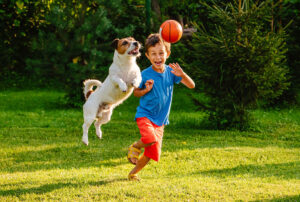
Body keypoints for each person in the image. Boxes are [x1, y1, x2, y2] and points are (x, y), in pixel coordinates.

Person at [127, 33, 195, 181]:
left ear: (168, 54)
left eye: (161, 53)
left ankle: (133, 173)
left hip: (160, 120)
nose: (158, 58)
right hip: (145, 114)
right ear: (147, 55)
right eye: (153, 54)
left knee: (152, 154)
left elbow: (191, 85)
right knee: (149, 138)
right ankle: (136, 146)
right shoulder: (144, 74)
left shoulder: (172, 72)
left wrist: (182, 74)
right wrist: (145, 90)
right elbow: (136, 93)